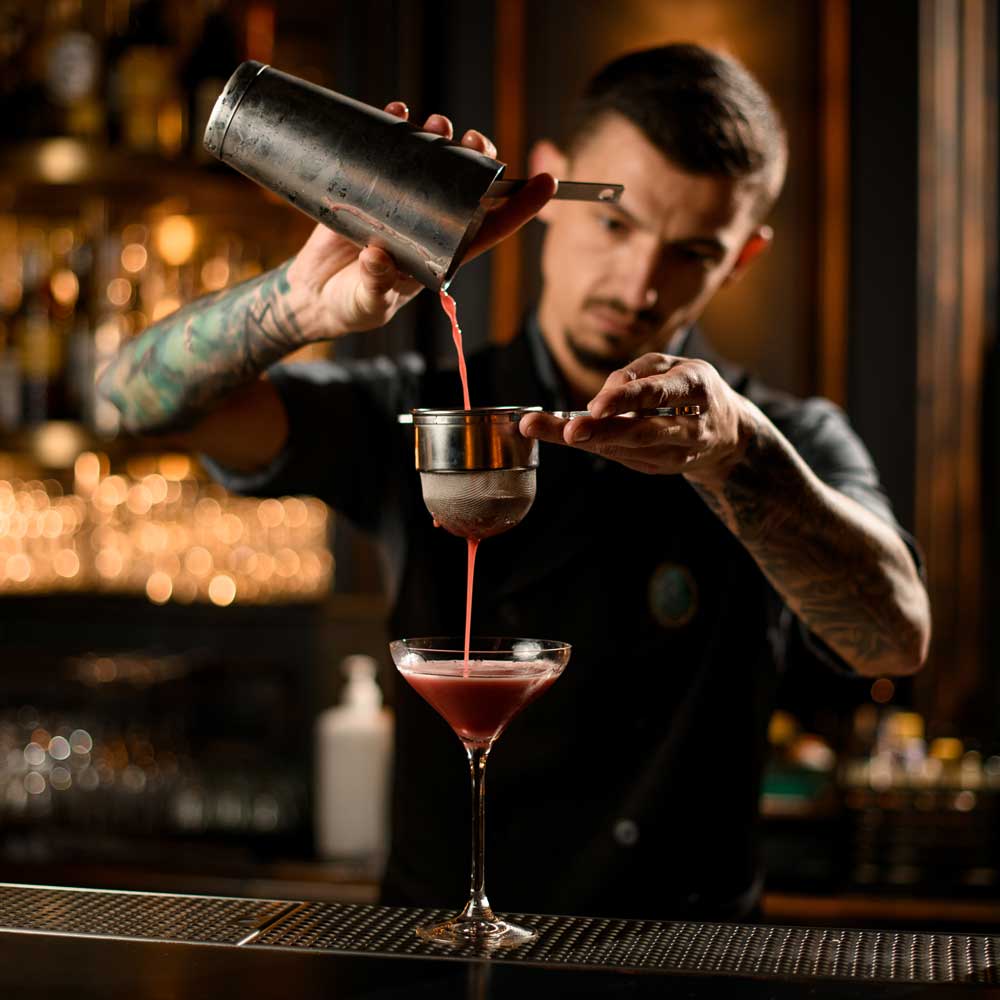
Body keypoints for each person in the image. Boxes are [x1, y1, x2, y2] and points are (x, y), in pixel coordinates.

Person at [100, 44, 930, 921]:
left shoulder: (782, 442)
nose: (639, 283)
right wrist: (298, 309)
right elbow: (127, 400)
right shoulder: (424, 409)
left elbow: (894, 642)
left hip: (691, 965)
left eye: (691, 252)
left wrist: (735, 452)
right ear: (550, 188)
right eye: (617, 224)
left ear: (743, 257)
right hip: (434, 956)